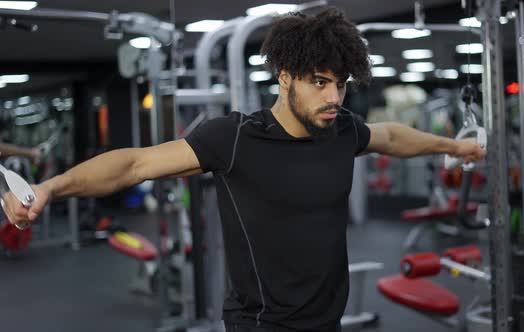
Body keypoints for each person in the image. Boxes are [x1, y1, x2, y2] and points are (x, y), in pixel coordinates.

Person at [2, 8, 485, 332]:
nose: (334, 97)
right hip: (261, 325)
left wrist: (452, 147)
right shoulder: (232, 138)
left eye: (339, 84)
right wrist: (49, 187)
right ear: (285, 77)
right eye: (319, 83)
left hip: (328, 321)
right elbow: (135, 163)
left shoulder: (342, 129)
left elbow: (392, 136)